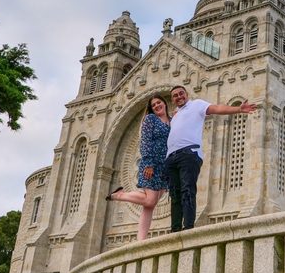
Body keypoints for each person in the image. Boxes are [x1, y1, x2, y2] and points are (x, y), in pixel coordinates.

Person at [164, 85, 257, 232]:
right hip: (171, 157)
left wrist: (238, 109)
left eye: (181, 93)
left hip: (189, 153)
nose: (179, 97)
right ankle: (175, 229)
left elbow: (217, 108)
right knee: (174, 194)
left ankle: (188, 227)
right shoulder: (175, 116)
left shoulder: (197, 105)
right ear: (172, 100)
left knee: (187, 189)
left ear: (186, 94)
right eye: (175, 95)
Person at [106, 93, 171, 240]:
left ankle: (141, 241)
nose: (157, 106)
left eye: (159, 102)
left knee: (149, 206)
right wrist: (148, 164)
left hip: (164, 167)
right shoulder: (150, 119)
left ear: (165, 103)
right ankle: (120, 195)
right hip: (151, 164)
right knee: (150, 200)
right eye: (153, 105)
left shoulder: (172, 121)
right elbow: (145, 142)